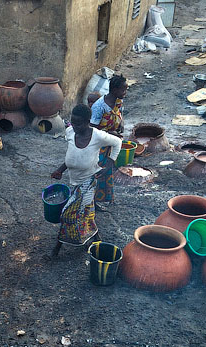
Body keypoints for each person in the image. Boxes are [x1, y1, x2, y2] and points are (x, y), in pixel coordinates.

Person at [49, 104, 122, 258]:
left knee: (68, 213)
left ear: (88, 121)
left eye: (78, 123)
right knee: (85, 214)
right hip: (74, 182)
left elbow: (117, 142)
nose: (74, 126)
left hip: (89, 181)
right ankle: (96, 237)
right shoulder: (69, 132)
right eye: (72, 122)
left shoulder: (98, 136)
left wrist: (109, 163)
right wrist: (60, 170)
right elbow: (72, 156)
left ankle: (56, 248)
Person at [89, 74, 127, 209]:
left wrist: (121, 123)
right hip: (99, 145)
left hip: (110, 144)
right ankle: (90, 202)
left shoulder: (118, 101)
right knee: (96, 173)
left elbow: (119, 114)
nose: (125, 92)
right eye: (123, 90)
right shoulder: (99, 106)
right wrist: (109, 133)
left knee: (106, 172)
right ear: (115, 89)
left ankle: (98, 201)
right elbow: (92, 129)